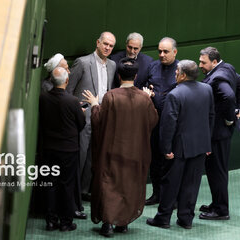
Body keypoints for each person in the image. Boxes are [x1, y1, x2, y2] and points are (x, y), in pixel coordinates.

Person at [82, 58, 158, 237]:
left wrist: (94, 105)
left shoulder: (111, 96)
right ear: (136, 76)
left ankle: (108, 224)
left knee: (110, 185)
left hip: (112, 150)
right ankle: (123, 222)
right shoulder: (144, 98)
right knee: (129, 185)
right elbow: (153, 120)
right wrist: (147, 99)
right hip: (135, 151)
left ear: (118, 75)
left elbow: (99, 121)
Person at [146, 60, 214, 229]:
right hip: (200, 146)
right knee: (192, 184)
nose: (174, 74)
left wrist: (166, 149)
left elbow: (168, 125)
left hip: (178, 149)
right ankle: (186, 219)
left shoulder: (174, 95)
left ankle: (163, 218)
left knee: (170, 183)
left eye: (176, 71)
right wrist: (207, 143)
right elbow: (211, 117)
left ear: (183, 75)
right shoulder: (207, 89)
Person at [198, 46, 240, 220]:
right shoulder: (228, 68)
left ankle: (221, 210)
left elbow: (227, 96)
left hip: (218, 132)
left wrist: (229, 118)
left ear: (214, 62)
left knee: (216, 171)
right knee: (216, 170)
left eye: (203, 62)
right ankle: (217, 203)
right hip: (221, 132)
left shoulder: (218, 78)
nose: (200, 65)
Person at [67, 32, 116, 200]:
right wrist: (75, 111)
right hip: (83, 118)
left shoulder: (112, 65)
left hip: (102, 117)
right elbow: (69, 91)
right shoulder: (82, 62)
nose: (107, 48)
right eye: (105, 44)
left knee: (93, 157)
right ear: (98, 43)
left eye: (111, 46)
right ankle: (72, 194)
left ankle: (84, 191)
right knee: (80, 156)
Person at [40, 53, 87, 220]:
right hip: (68, 149)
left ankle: (51, 220)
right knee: (67, 185)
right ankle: (66, 221)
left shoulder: (43, 97)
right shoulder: (73, 101)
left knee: (51, 184)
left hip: (49, 147)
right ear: (66, 81)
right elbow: (81, 123)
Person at [145, 37, 178, 206]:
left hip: (173, 125)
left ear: (175, 52)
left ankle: (170, 197)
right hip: (154, 123)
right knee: (155, 161)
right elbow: (145, 87)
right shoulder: (153, 67)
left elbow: (174, 99)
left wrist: (156, 96)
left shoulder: (181, 70)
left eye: (166, 51)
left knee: (170, 163)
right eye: (159, 51)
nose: (162, 55)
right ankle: (157, 194)